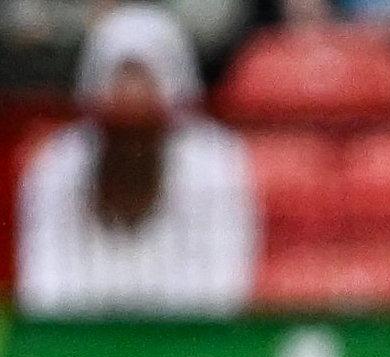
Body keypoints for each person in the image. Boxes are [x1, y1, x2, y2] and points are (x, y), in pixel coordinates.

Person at [16, 2, 256, 317]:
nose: (131, 95)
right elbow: (43, 283)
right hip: (84, 349)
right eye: (120, 78)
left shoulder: (214, 162)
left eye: (144, 79)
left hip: (183, 349)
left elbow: (223, 284)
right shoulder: (58, 163)